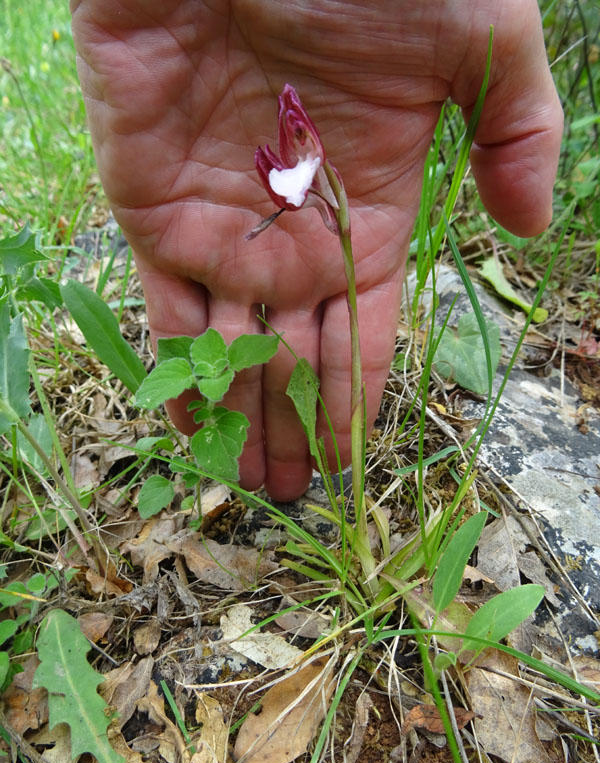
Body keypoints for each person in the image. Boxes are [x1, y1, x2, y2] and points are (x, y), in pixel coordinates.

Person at [70, 0, 563, 502]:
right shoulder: (300, 173)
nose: (298, 136)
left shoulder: (314, 174)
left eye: (300, 133)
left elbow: (296, 171)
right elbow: (289, 173)